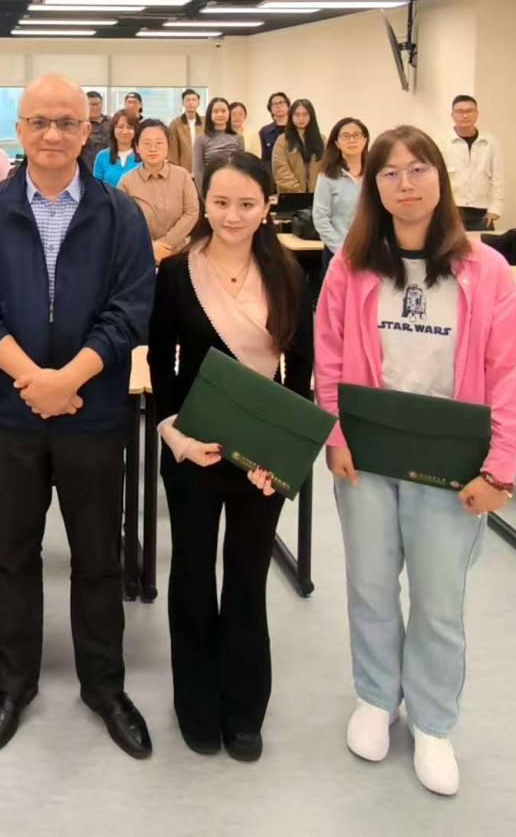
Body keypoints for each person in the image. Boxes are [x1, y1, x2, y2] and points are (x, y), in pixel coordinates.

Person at [316, 124, 516, 796]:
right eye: (389, 173)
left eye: (418, 170)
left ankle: (434, 721)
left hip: (451, 459)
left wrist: (500, 468)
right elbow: (329, 355)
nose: (404, 184)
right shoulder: (351, 265)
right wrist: (335, 433)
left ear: (440, 179)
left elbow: (512, 375)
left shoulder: (486, 270)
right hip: (369, 453)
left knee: (439, 600)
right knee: (369, 585)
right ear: (373, 187)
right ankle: (376, 697)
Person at [0, 74, 156, 760]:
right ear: (20, 130)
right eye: (39, 122)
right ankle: (15, 684)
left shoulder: (119, 214)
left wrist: (68, 380)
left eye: (66, 122)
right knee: (14, 553)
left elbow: (131, 310)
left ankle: (105, 686)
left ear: (86, 131)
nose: (52, 135)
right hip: (13, 413)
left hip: (93, 412)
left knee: (98, 555)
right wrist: (33, 380)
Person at [148, 151, 314, 761]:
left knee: (247, 577)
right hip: (193, 447)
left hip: (260, 459)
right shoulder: (177, 272)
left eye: (246, 204)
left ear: (267, 206)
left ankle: (244, 708)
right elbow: (159, 362)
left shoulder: (289, 274)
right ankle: (194, 701)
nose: (232, 216)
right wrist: (175, 433)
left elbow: (299, 372)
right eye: (220, 203)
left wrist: (283, 456)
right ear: (204, 203)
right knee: (192, 572)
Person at [119, 119, 199, 264]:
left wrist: (164, 244)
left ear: (168, 146)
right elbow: (122, 220)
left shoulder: (182, 176)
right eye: (147, 143)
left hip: (178, 256)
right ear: (137, 147)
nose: (153, 148)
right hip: (140, 255)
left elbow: (191, 212)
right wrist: (150, 246)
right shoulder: (126, 181)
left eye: (159, 143)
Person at [312, 117, 369, 267]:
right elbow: (320, 219)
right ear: (337, 143)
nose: (352, 140)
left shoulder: (375, 174)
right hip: (337, 253)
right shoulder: (327, 176)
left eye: (356, 135)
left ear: (365, 140)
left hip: (371, 252)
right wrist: (342, 251)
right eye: (345, 136)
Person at [443, 95, 503, 231]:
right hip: (450, 209)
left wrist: (495, 208)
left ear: (477, 114)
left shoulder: (491, 143)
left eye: (470, 111)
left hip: (482, 211)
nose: (465, 116)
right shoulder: (441, 142)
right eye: (460, 112)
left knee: (482, 244)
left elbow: (498, 178)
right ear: (452, 115)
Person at [192, 97, 244, 192]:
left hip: (234, 187)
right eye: (215, 111)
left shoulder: (239, 138)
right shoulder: (200, 138)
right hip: (210, 188)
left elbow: (242, 167)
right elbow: (198, 169)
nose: (220, 114)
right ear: (210, 114)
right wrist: (202, 193)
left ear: (229, 113)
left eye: (223, 111)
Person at [272, 99, 323, 195]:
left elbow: (327, 167)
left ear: (311, 116)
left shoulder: (322, 140)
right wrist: (297, 191)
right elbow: (280, 170)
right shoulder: (283, 140)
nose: (301, 119)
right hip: (290, 195)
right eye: (297, 115)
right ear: (291, 116)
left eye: (305, 115)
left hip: (318, 194)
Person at [91, 110, 141, 187]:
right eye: (120, 127)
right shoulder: (102, 156)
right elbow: (96, 188)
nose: (125, 132)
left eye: (129, 127)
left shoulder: (143, 156)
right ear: (113, 129)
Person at [166, 88, 202, 172]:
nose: (191, 102)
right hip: (183, 170)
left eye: (194, 100)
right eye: (188, 100)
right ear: (183, 103)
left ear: (198, 103)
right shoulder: (175, 124)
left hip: (202, 170)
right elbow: (173, 152)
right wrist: (176, 171)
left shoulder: (205, 122)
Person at [258, 92, 290, 169]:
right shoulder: (264, 131)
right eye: (275, 104)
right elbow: (263, 158)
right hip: (272, 172)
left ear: (288, 106)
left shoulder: (296, 128)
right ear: (270, 109)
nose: (278, 106)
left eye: (281, 102)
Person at [83, 90, 111, 165]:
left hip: (110, 164)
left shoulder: (111, 122)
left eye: (97, 104)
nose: (95, 107)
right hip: (88, 165)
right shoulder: (81, 124)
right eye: (91, 105)